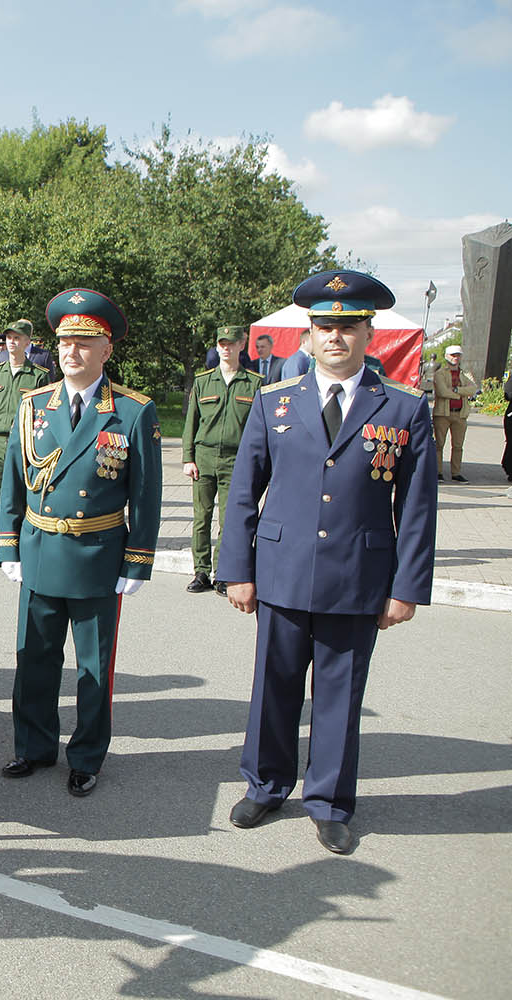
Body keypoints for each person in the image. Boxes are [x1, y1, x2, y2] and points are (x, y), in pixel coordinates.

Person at [218, 269, 436, 855]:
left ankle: (330, 802)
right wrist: (237, 570)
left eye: (348, 326)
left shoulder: (404, 408)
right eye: (324, 326)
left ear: (370, 334)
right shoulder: (273, 402)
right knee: (274, 686)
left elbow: (416, 509)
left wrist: (407, 587)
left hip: (358, 576)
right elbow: (244, 492)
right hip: (282, 569)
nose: (335, 336)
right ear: (308, 335)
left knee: (340, 694)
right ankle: (265, 785)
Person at [0, 289, 161, 798]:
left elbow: (147, 495)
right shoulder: (32, 406)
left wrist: (137, 561)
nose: (72, 352)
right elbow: (13, 481)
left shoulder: (132, 411)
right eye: (65, 341)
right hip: (41, 549)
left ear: (106, 350)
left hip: (97, 554)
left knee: (93, 667)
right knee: (35, 659)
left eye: (85, 343)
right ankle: (33, 746)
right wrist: (8, 545)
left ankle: (87, 755)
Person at [181, 326, 262, 594]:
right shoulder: (204, 381)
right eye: (221, 344)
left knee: (230, 520)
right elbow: (191, 422)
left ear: (242, 345)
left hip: (235, 460)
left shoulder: (254, 383)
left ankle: (223, 574)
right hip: (204, 458)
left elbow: (258, 428)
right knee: (201, 518)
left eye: (231, 343)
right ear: (216, 347)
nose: (226, 348)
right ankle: (201, 571)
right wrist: (188, 458)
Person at [0, 320, 50, 567]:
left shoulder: (40, 376)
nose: (12, 342)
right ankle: (2, 548)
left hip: (25, 443)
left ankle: (24, 545)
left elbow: (45, 417)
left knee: (24, 495)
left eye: (17, 338)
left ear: (28, 342)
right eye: (9, 338)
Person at [432, 344, 477, 482]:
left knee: (458, 446)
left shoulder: (464, 373)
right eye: (453, 355)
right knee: (439, 444)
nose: (455, 358)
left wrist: (457, 390)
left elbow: (473, 388)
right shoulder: (440, 373)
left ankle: (456, 473)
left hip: (460, 414)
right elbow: (442, 392)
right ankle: (438, 472)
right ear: (446, 356)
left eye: (458, 355)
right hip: (443, 414)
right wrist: (461, 393)